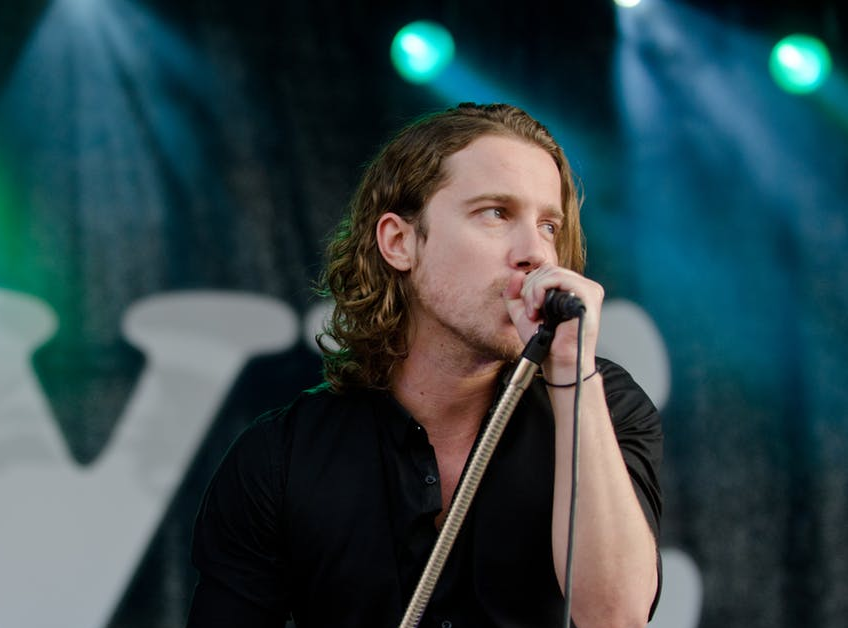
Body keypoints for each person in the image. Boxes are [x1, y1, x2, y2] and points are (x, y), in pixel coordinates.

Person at [186, 103, 662, 628]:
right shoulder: (281, 457)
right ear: (399, 242)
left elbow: (616, 618)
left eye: (549, 225)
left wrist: (571, 368)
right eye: (496, 213)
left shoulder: (601, 404)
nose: (535, 253)